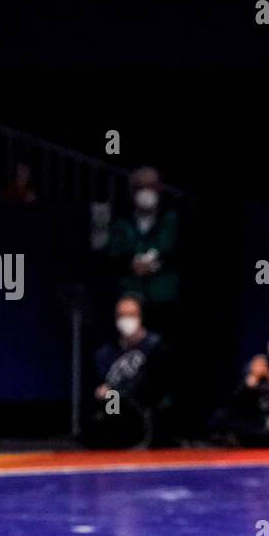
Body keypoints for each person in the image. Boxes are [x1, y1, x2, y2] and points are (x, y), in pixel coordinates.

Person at [84, 295, 173, 449]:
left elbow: (154, 386)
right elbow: (101, 384)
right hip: (116, 409)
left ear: (141, 317)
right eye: (121, 315)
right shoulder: (106, 352)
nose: (126, 320)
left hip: (145, 408)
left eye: (131, 315)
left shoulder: (155, 347)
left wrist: (119, 392)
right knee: (104, 413)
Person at [106, 166, 180, 336]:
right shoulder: (121, 223)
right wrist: (131, 264)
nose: (146, 192)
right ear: (133, 192)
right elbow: (111, 257)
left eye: (151, 187)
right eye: (141, 187)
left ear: (159, 189)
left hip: (163, 300)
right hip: (129, 299)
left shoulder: (171, 221)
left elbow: (180, 254)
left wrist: (157, 264)